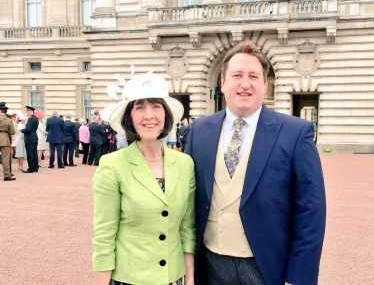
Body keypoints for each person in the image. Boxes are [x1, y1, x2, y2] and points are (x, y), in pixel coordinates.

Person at [185, 41, 326, 285]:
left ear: (264, 83)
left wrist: (299, 277)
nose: (245, 84)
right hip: (209, 264)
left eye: (253, 76)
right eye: (237, 75)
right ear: (222, 82)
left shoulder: (295, 132)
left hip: (267, 265)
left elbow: (311, 211)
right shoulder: (198, 130)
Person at [92, 71, 196, 285]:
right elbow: (104, 235)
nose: (149, 115)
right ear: (129, 117)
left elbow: (187, 228)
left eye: (156, 106)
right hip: (130, 278)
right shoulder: (112, 165)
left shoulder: (185, 163)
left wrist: (190, 277)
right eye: (140, 107)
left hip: (173, 277)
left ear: (166, 115)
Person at [0, 103, 16, 181]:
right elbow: (13, 132)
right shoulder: (8, 120)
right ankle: (7, 175)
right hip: (4, 139)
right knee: (5, 159)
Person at [21, 106, 39, 173]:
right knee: (34, 154)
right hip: (34, 137)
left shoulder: (31, 119)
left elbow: (28, 129)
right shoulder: (35, 118)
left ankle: (31, 168)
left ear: (31, 111)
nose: (26, 112)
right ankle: (35, 167)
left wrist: (22, 130)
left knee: (30, 154)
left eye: (27, 111)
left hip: (29, 138)